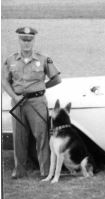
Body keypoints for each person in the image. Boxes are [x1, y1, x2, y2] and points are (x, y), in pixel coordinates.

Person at [2, 26, 61, 179]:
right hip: (18, 102)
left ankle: (46, 171)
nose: (26, 43)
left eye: (29, 40)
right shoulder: (11, 60)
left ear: (34, 40)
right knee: (19, 138)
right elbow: (4, 81)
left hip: (37, 102)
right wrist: (14, 96)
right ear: (19, 40)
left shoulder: (43, 59)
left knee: (41, 136)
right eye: (23, 40)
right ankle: (19, 171)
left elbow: (57, 78)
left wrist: (41, 88)